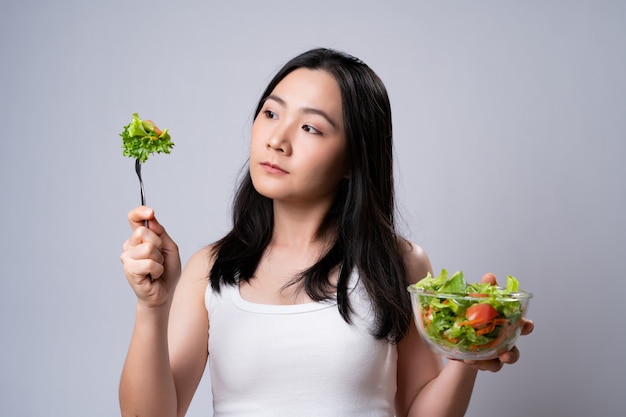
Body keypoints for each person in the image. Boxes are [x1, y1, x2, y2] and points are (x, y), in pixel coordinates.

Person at [119, 48, 533, 417]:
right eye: (271, 113)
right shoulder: (209, 268)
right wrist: (152, 308)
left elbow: (417, 410)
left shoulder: (400, 263)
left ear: (354, 159)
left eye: (311, 128)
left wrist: (466, 353)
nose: (277, 140)